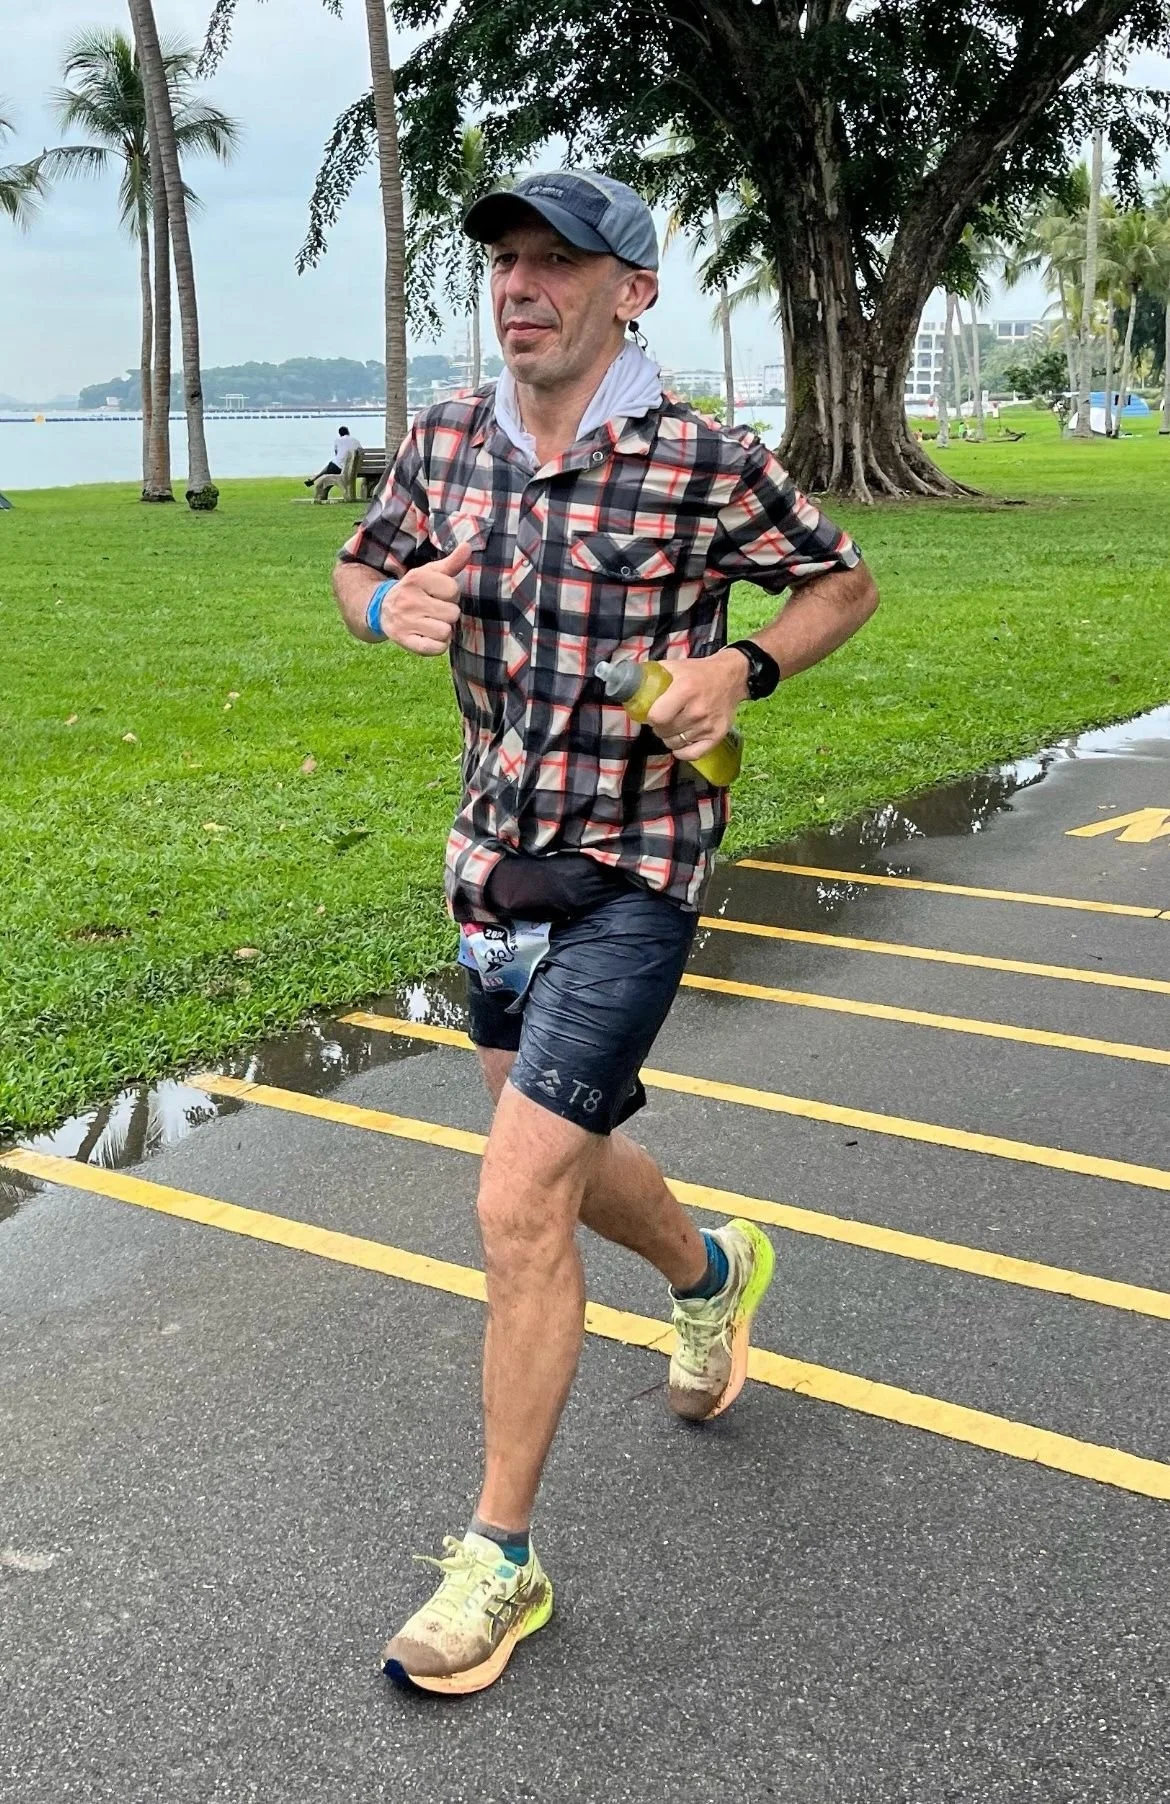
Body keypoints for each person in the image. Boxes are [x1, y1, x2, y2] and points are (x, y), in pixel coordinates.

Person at [332, 168, 879, 1696]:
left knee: (512, 1200)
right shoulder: (446, 438)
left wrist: (746, 669)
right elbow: (358, 566)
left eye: (555, 263)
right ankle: (712, 1275)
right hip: (491, 871)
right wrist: (388, 609)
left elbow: (843, 582)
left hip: (635, 869)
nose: (519, 286)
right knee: (548, 1160)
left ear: (629, 292)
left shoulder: (700, 458)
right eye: (504, 261)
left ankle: (497, 1563)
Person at [305, 423, 362, 487]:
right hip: (353, 469)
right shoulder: (356, 441)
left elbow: (336, 454)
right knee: (333, 463)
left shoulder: (337, 440)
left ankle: (314, 478)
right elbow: (361, 453)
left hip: (338, 468)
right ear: (348, 432)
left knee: (331, 464)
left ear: (340, 434)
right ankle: (314, 478)